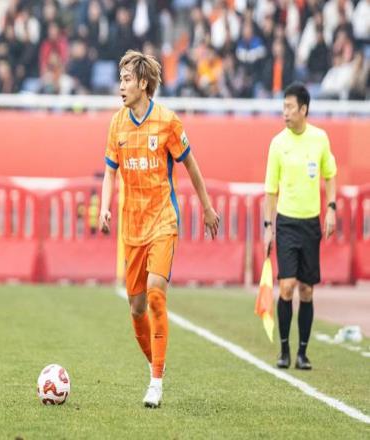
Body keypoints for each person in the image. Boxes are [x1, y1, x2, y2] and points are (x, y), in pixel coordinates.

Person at [99, 50, 219, 408]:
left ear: (143, 83)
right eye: (120, 79)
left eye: (126, 80)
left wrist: (207, 207)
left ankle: (156, 382)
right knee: (136, 308)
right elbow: (109, 172)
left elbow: (191, 165)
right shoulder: (117, 124)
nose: (121, 86)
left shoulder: (167, 121)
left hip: (163, 220)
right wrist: (104, 207)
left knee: (155, 294)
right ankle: (156, 364)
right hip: (132, 226)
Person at [263, 82, 337, 371]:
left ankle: (302, 354)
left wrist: (331, 209)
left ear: (303, 109)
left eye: (290, 107)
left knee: (306, 289)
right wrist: (268, 226)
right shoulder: (277, 144)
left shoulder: (320, 139)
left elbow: (330, 174)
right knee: (286, 286)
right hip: (286, 222)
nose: (285, 112)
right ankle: (284, 351)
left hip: (310, 224)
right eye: (283, 107)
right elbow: (271, 189)